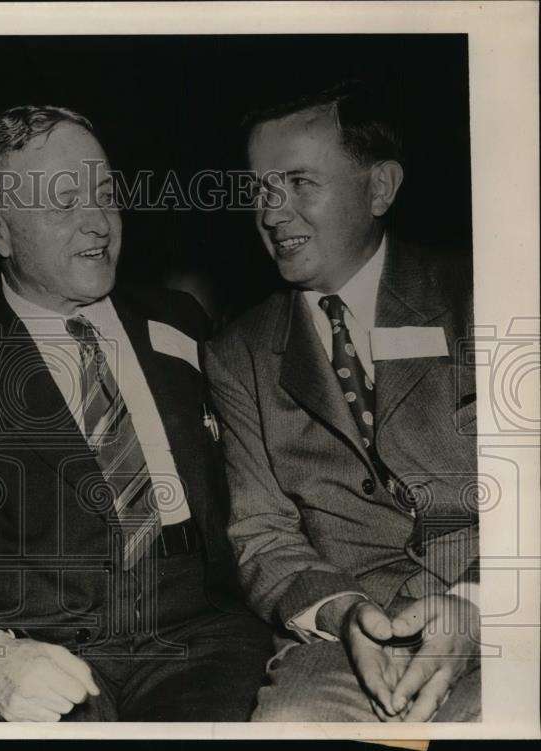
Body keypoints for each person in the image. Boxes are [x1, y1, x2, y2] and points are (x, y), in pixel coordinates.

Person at [0, 105, 272, 722]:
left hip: (202, 643)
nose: (97, 224)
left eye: (104, 194)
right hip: (41, 653)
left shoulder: (178, 321)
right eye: (62, 204)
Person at [203, 80, 480, 722]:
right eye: (259, 191)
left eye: (300, 182)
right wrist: (343, 613)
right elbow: (261, 533)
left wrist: (476, 601)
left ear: (380, 187)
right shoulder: (237, 352)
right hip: (346, 647)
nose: (272, 214)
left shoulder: (485, 291)